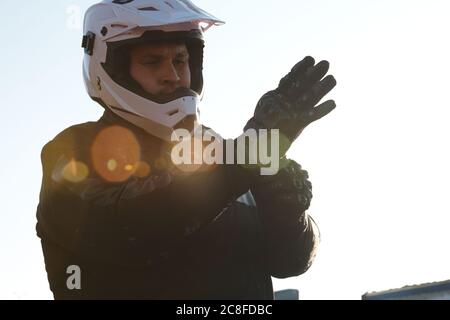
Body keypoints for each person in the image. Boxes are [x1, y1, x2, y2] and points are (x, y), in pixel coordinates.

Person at [36, 0, 336, 299]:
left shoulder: (222, 151)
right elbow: (123, 229)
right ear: (110, 67)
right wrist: (250, 154)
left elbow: (289, 263)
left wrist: (289, 215)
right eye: (153, 61)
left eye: (180, 60)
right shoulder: (75, 150)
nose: (173, 75)